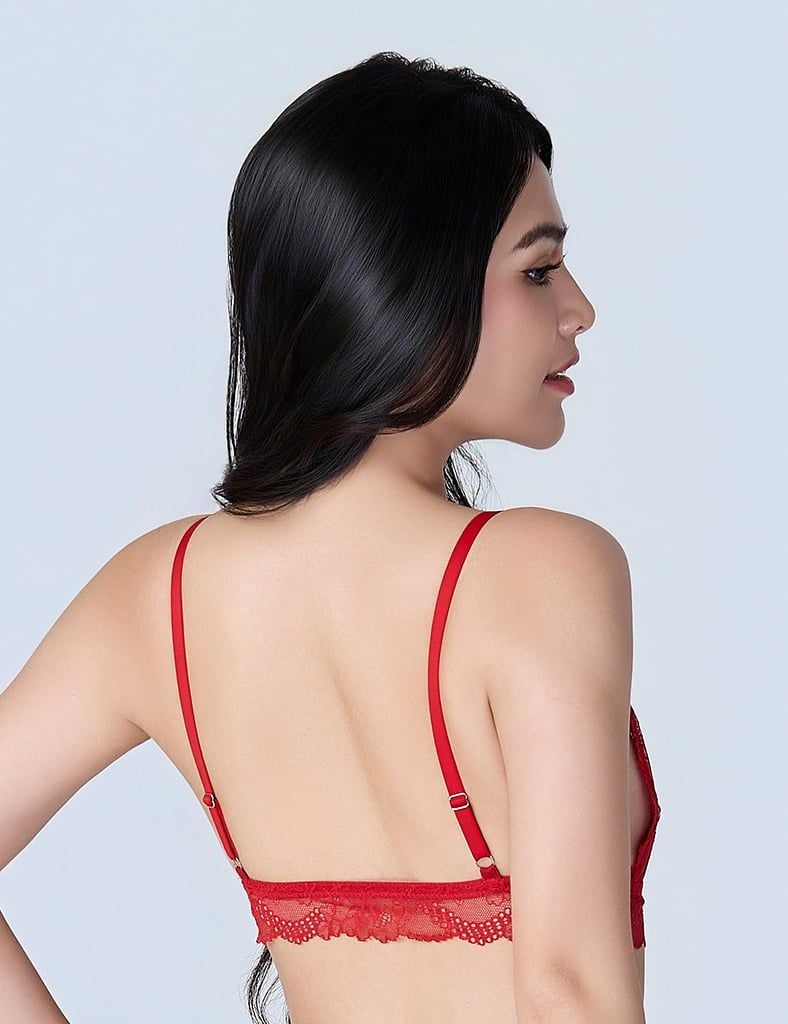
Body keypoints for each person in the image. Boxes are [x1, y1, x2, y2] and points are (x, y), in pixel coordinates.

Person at [0, 52, 661, 1024]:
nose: (579, 309)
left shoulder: (155, 592)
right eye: (537, 269)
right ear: (402, 285)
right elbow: (569, 988)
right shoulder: (546, 567)